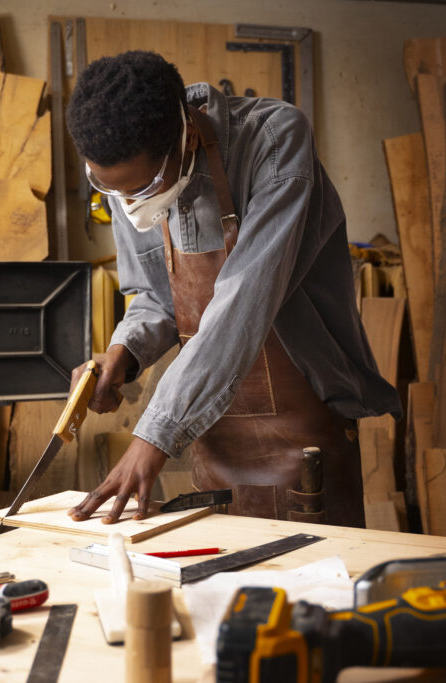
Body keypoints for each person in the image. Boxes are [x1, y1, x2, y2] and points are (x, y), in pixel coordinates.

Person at [64, 50, 400, 528]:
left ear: (186, 134)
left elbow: (243, 303)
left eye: (143, 188)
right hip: (216, 433)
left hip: (304, 424)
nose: (129, 204)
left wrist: (155, 433)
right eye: (110, 188)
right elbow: (158, 295)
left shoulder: (275, 141)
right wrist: (125, 351)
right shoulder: (123, 180)